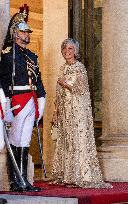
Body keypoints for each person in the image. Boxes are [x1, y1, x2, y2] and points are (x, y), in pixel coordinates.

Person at [51, 38, 111, 188]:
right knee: (68, 141)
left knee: (78, 140)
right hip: (65, 111)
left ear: (75, 51)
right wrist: (55, 111)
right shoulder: (62, 68)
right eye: (65, 48)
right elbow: (58, 93)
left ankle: (82, 175)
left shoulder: (80, 68)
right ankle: (68, 176)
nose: (67, 51)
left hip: (78, 112)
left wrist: (65, 83)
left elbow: (82, 89)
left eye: (70, 49)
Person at [0, 11, 46, 192]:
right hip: (16, 101)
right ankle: (15, 181)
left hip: (31, 100)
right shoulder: (7, 56)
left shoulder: (32, 56)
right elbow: (2, 82)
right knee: (16, 139)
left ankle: (23, 180)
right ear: (15, 33)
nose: (27, 35)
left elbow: (38, 81)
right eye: (23, 32)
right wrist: (5, 106)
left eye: (28, 32)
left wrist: (42, 101)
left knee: (25, 140)